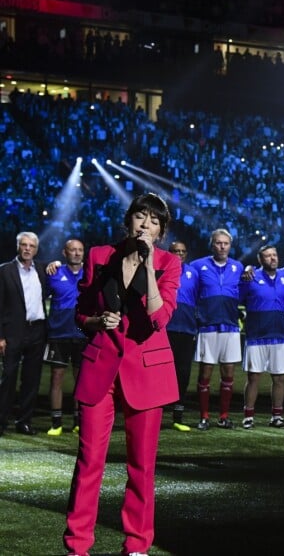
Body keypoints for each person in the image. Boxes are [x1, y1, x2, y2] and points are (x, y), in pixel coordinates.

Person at [63, 193, 181, 556]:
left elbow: (161, 318)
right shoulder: (100, 256)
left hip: (147, 373)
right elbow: (81, 313)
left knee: (141, 467)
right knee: (88, 462)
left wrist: (146, 267)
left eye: (154, 220)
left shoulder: (168, 263)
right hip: (102, 369)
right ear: (128, 220)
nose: (145, 224)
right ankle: (77, 545)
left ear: (160, 231)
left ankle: (137, 546)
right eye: (140, 216)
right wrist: (98, 321)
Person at [190, 228, 243, 430]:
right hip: (207, 327)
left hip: (230, 326)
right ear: (212, 244)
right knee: (205, 374)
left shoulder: (238, 267)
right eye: (218, 243)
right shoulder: (197, 267)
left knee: (228, 373)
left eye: (226, 243)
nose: (222, 246)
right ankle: (204, 416)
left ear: (230, 245)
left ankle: (224, 416)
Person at [0, 231, 48, 436]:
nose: (28, 248)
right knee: (8, 377)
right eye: (24, 245)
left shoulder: (43, 269)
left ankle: (24, 421)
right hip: (12, 332)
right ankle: (1, 421)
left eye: (32, 246)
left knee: (32, 379)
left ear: (36, 249)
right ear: (18, 246)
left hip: (37, 330)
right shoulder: (4, 270)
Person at [239, 244, 284, 429]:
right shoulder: (250, 277)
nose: (272, 258)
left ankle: (277, 416)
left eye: (274, 255)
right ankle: (248, 416)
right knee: (254, 378)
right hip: (256, 336)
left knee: (280, 379)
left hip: (279, 336)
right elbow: (237, 298)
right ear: (260, 260)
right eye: (268, 256)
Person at [45, 239, 86, 436]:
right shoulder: (54, 272)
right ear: (64, 252)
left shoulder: (91, 273)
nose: (77, 253)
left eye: (80, 250)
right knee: (57, 377)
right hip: (58, 333)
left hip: (83, 334)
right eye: (73, 250)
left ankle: (79, 420)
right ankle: (56, 422)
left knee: (81, 379)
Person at [166, 241, 198, 432]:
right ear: (169, 253)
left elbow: (199, 298)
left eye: (182, 251)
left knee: (183, 373)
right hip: (164, 329)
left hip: (186, 330)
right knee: (160, 373)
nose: (179, 254)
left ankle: (178, 415)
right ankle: (154, 412)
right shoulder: (159, 270)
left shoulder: (193, 273)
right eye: (175, 251)